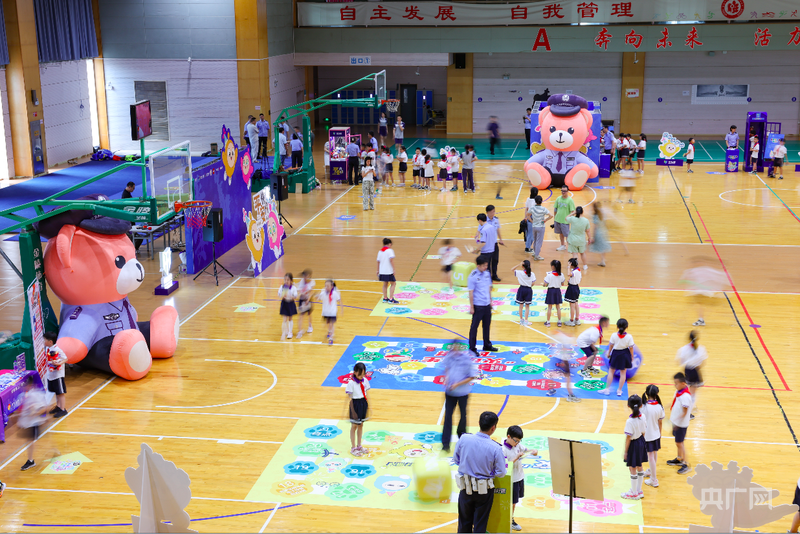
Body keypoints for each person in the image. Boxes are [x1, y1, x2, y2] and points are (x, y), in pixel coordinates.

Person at [453, 411, 507, 534]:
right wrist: (489, 473)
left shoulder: (464, 438)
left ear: (479, 423)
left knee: (464, 522)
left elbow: (456, 459)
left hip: (465, 486)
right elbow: (501, 472)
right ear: (493, 428)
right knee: (480, 523)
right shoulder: (496, 448)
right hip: (484, 490)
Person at [441, 342, 479, 453]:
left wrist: (457, 384)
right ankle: (445, 445)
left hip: (463, 393)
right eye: (453, 347)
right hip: (450, 392)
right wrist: (447, 378)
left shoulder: (466, 360)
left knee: (463, 416)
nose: (454, 349)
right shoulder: (449, 356)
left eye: (456, 347)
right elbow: (447, 368)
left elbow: (471, 376)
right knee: (448, 417)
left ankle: (463, 441)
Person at [502, 425, 537, 531]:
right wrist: (517, 457)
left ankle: (510, 519)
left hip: (519, 477)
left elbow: (526, 450)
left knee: (514, 502)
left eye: (519, 441)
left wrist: (533, 451)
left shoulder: (517, 445)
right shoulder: (503, 449)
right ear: (509, 436)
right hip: (511, 480)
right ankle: (509, 520)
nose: (517, 443)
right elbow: (506, 466)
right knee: (511, 502)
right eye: (516, 441)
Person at [468, 256, 497, 354]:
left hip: (486, 304)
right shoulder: (472, 276)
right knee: (474, 327)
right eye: (484, 265)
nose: (486, 267)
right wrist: (472, 307)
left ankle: (487, 345)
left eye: (486, 265)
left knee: (487, 326)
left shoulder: (487, 274)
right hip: (478, 305)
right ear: (478, 265)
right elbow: (471, 292)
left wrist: (490, 300)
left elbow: (489, 287)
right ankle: (472, 348)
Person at [19, 376, 48, 471]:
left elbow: (44, 409)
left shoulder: (36, 395)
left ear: (30, 385)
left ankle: (31, 461)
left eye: (25, 385)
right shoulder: (26, 395)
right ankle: (31, 460)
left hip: (34, 422)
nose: (24, 387)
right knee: (30, 441)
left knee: (31, 441)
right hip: (28, 423)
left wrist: (34, 413)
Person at [667, 372, 693, 475]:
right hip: (676, 422)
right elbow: (674, 402)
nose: (675, 385)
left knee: (680, 443)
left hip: (681, 424)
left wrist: (676, 421)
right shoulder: (679, 392)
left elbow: (685, 412)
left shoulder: (685, 396)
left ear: (683, 383)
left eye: (676, 383)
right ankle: (679, 458)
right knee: (678, 442)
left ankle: (686, 464)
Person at [600, 318, 634, 397]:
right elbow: (631, 347)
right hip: (625, 355)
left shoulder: (613, 335)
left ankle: (607, 389)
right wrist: (632, 356)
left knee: (611, 371)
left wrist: (609, 353)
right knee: (623, 373)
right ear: (627, 327)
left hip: (616, 354)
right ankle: (619, 390)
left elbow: (611, 345)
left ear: (617, 326)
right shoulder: (629, 336)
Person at [622, 394, 647, 500]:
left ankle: (633, 493)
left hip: (634, 444)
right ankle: (639, 490)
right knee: (639, 465)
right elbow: (644, 431)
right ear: (641, 405)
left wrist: (626, 452)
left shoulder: (630, 421)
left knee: (632, 468)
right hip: (641, 440)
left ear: (628, 406)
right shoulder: (643, 416)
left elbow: (628, 438)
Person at [676, 330, 707, 412]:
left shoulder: (684, 349)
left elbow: (680, 361)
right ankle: (690, 408)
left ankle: (684, 404)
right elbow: (703, 362)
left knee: (686, 389)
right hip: (695, 371)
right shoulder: (701, 348)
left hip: (687, 370)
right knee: (693, 392)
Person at [642, 384, 665, 488]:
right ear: (657, 394)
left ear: (647, 393)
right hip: (656, 434)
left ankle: (654, 480)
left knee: (650, 456)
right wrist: (660, 434)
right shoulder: (660, 407)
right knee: (654, 453)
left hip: (648, 435)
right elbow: (660, 422)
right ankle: (651, 471)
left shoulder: (644, 407)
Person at [346, 362, 370, 456]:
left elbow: (367, 393)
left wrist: (368, 406)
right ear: (355, 372)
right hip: (355, 404)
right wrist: (353, 411)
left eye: (363, 374)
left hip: (363, 403)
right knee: (354, 426)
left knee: (361, 425)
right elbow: (350, 397)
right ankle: (353, 447)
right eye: (360, 374)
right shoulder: (351, 383)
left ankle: (359, 445)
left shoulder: (365, 381)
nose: (362, 376)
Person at [43, 331, 68, 417]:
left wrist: (58, 363)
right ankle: (58, 406)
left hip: (58, 375)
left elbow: (65, 359)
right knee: (56, 392)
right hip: (51, 375)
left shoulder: (58, 350)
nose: (43, 341)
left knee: (60, 392)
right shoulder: (48, 349)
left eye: (45, 340)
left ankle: (63, 409)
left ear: (50, 341)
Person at [527, 195, 551, 261]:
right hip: (541, 227)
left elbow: (527, 215)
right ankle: (537, 256)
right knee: (539, 242)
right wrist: (545, 220)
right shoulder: (543, 209)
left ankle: (535, 253)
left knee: (535, 241)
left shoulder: (532, 208)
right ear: (541, 201)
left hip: (534, 226)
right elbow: (551, 215)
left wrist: (532, 221)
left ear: (535, 201)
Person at [565, 206, 590, 271]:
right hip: (581, 240)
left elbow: (566, 218)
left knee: (575, 254)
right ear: (582, 212)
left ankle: (576, 267)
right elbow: (588, 231)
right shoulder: (586, 220)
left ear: (576, 212)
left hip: (573, 240)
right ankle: (585, 266)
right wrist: (589, 238)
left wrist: (572, 213)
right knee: (583, 253)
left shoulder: (573, 218)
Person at [512, 260, 535, 326]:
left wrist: (519, 265)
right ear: (530, 266)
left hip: (521, 289)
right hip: (528, 290)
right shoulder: (532, 274)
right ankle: (526, 320)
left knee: (521, 306)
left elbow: (512, 269)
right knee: (527, 306)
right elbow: (533, 283)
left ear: (522, 266)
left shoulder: (520, 273)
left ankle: (521, 320)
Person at [542, 259, 565, 327]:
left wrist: (543, 285)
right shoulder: (561, 275)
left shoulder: (549, 275)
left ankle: (548, 322)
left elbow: (545, 284)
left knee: (549, 307)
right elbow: (563, 284)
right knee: (558, 307)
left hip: (551, 291)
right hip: (557, 291)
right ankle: (559, 322)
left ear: (553, 266)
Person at [589, 203, 612, 267]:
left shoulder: (595, 216)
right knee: (603, 247)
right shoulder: (603, 214)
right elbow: (605, 223)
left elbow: (595, 227)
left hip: (598, 233)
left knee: (599, 247)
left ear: (594, 208)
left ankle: (602, 261)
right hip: (604, 232)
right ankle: (603, 260)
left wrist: (593, 237)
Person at [553, 186, 575, 251]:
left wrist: (569, 218)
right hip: (558, 219)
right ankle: (562, 245)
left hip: (565, 221)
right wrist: (555, 217)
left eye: (565, 191)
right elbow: (555, 209)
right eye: (562, 190)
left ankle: (570, 247)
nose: (563, 192)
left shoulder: (570, 200)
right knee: (561, 233)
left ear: (567, 191)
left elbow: (573, 211)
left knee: (567, 235)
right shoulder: (558, 198)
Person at [485, 205, 504, 282]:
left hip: (494, 243)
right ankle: (488, 276)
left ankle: (494, 275)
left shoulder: (496, 219)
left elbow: (498, 230)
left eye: (494, 211)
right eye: (491, 212)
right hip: (487, 244)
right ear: (487, 212)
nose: (493, 213)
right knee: (488, 261)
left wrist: (501, 239)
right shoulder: (484, 221)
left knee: (495, 260)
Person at [320, 279, 341, 345]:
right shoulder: (323, 293)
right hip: (326, 312)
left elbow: (339, 300)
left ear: (332, 287)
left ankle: (331, 338)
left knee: (332, 324)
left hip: (332, 312)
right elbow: (319, 298)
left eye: (328, 286)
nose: (326, 287)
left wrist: (341, 309)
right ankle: (329, 331)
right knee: (328, 323)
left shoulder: (335, 293)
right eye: (325, 286)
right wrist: (316, 297)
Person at [377, 238, 398, 303]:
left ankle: (385, 298)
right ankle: (391, 299)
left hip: (382, 271)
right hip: (388, 271)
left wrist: (378, 270)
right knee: (393, 283)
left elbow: (378, 261)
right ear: (390, 244)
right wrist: (393, 269)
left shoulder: (380, 251)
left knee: (385, 284)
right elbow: (391, 260)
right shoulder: (390, 250)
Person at [296, 270, 315, 339]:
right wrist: (300, 293)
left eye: (306, 276)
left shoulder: (312, 282)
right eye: (304, 276)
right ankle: (300, 331)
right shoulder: (301, 282)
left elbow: (311, 291)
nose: (305, 278)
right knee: (301, 315)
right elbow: (299, 291)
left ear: (309, 276)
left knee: (309, 314)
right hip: (302, 300)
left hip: (308, 300)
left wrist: (308, 300)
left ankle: (310, 326)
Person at [278, 273, 298, 340]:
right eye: (285, 279)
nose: (286, 281)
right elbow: (279, 294)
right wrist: (282, 295)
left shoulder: (293, 288)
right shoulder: (282, 287)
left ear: (291, 280)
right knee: (284, 319)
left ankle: (290, 332)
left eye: (288, 280)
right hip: (284, 303)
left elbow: (295, 296)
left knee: (290, 318)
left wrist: (289, 295)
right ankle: (284, 332)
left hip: (290, 304)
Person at [564, 258, 581, 327]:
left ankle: (571, 321)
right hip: (576, 287)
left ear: (571, 264)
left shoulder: (575, 272)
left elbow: (568, 274)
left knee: (572, 305)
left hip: (572, 288)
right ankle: (577, 319)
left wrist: (568, 267)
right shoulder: (578, 270)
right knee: (576, 304)